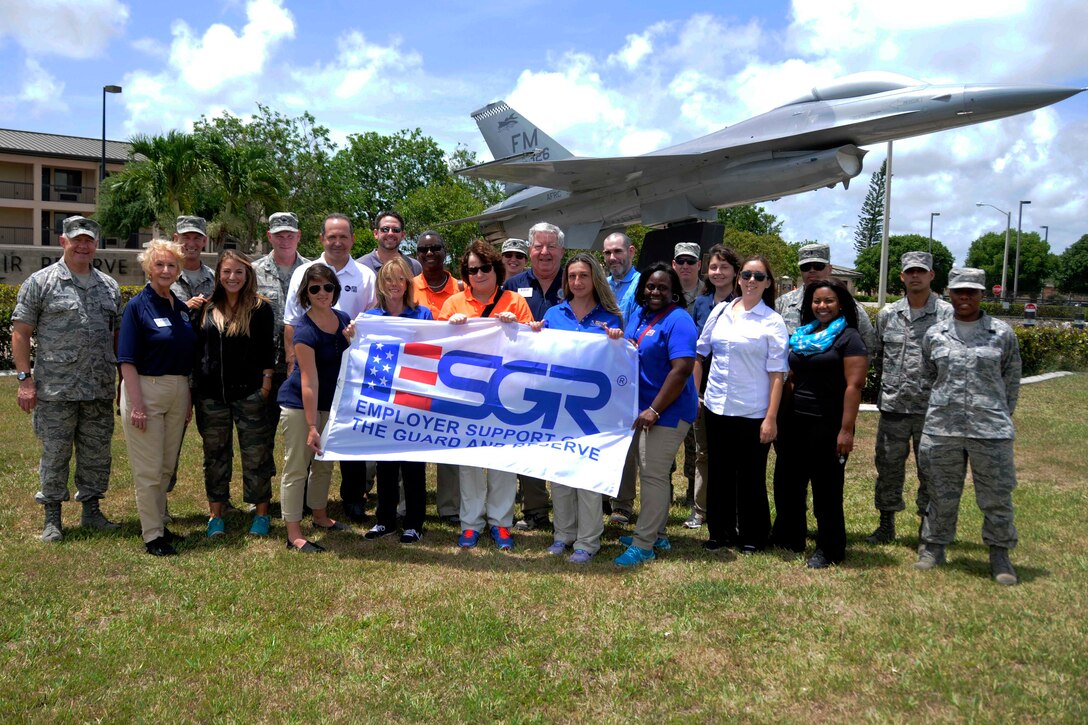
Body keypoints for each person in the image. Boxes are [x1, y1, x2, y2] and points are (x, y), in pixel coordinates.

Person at [12, 215, 123, 542]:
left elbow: (115, 337)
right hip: (56, 389)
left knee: (96, 453)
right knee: (55, 454)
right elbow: (21, 332)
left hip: (98, 388)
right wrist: (24, 379)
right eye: (77, 239)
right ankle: (52, 518)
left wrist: (119, 381)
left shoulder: (109, 286)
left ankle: (91, 511)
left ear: (96, 244)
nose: (83, 245)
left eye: (89, 240)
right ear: (64, 241)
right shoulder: (41, 282)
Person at [915, 268, 1022, 586]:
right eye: (959, 291)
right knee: (940, 493)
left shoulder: (1001, 333)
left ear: (982, 294)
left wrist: (996, 413)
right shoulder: (935, 334)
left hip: (990, 430)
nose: (965, 297)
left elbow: (1011, 382)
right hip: (943, 428)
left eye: (972, 292)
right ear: (949, 292)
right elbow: (928, 376)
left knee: (996, 496)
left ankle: (1000, 554)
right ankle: (934, 547)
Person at [440, 240, 534, 550]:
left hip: (505, 393)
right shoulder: (453, 303)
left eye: (484, 268)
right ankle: (471, 523)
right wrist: (449, 329)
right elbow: (436, 347)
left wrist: (517, 326)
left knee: (503, 461)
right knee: (468, 463)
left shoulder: (514, 301)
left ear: (496, 269)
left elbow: (532, 344)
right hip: (466, 394)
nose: (478, 274)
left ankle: (502, 523)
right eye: (471, 270)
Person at [530, 254, 624, 563]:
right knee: (559, 472)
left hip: (594, 410)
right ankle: (563, 534)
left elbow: (622, 360)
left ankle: (588, 541)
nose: (577, 282)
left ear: (594, 278)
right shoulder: (555, 314)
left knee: (587, 475)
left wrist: (617, 341)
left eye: (583, 275)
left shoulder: (611, 317)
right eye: (572, 276)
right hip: (557, 405)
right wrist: (531, 333)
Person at [283, 213, 377, 523]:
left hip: (343, 383)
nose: (321, 292)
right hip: (308, 382)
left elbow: (368, 325)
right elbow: (291, 326)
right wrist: (291, 366)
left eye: (343, 236)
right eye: (331, 236)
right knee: (299, 461)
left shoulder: (362, 280)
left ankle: (332, 508)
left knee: (330, 454)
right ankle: (296, 522)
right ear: (322, 239)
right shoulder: (302, 278)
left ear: (352, 239)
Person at [771, 279, 868, 568]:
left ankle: (830, 547)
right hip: (795, 421)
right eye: (816, 301)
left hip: (828, 423)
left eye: (828, 301)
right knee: (788, 483)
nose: (821, 306)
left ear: (840, 304)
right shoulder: (804, 335)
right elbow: (793, 378)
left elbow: (855, 386)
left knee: (826, 489)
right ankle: (790, 536)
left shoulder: (849, 338)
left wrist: (846, 430)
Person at [694, 255, 787, 554]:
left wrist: (771, 418)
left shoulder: (772, 320)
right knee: (719, 473)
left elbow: (777, 374)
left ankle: (754, 534)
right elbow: (700, 352)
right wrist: (696, 395)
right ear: (739, 278)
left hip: (753, 411)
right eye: (747, 275)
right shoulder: (720, 311)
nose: (751, 281)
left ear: (768, 283)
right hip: (717, 406)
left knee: (750, 476)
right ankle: (720, 532)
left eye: (759, 277)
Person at [614, 263, 698, 568]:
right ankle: (658, 533)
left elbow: (682, 369)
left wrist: (654, 409)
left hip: (668, 411)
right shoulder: (639, 314)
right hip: (642, 409)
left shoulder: (679, 320)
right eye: (650, 286)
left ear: (674, 291)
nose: (655, 292)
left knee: (652, 475)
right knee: (653, 474)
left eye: (663, 287)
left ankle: (644, 544)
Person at [867, 251, 952, 546]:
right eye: (910, 272)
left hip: (934, 409)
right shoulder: (888, 315)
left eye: (921, 271)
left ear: (931, 275)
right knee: (888, 468)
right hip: (894, 406)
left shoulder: (947, 315)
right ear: (902, 277)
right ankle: (886, 525)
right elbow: (877, 357)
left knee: (931, 470)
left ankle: (927, 528)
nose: (915, 276)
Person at [118, 240, 197, 557]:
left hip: (178, 390)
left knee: (166, 466)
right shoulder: (138, 306)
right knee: (149, 469)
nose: (166, 270)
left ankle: (161, 521)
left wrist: (187, 395)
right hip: (145, 390)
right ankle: (152, 535)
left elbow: (185, 353)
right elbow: (126, 360)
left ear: (179, 270)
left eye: (172, 265)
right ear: (149, 268)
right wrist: (136, 404)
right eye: (160, 265)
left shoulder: (178, 307)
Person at [193, 251, 276, 538]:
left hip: (249, 393)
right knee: (215, 456)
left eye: (239, 272)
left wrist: (265, 384)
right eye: (227, 272)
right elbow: (196, 350)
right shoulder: (205, 307)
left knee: (257, 455)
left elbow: (268, 350)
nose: (232, 277)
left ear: (247, 275)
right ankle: (216, 514)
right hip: (211, 396)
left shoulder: (260, 308)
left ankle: (262, 513)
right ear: (218, 274)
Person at [278, 264, 354, 552]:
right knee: (297, 467)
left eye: (327, 287)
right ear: (306, 294)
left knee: (324, 464)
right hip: (300, 405)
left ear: (335, 289)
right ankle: (294, 533)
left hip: (330, 404)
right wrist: (311, 426)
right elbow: (308, 381)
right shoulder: (304, 331)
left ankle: (319, 515)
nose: (322, 293)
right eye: (315, 288)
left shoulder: (343, 318)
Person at [361, 257, 433, 544]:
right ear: (381, 284)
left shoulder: (423, 315)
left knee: (413, 465)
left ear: (408, 283)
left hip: (413, 396)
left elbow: (435, 349)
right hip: (382, 398)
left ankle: (414, 522)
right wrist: (352, 334)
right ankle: (385, 520)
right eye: (388, 279)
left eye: (400, 279)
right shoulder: (370, 318)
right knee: (385, 463)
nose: (394, 285)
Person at [503, 221, 566, 532]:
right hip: (524, 378)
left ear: (562, 251)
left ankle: (569, 512)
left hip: (565, 378)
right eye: (538, 246)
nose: (544, 252)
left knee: (565, 443)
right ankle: (536, 510)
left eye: (551, 246)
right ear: (530, 251)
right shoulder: (513, 285)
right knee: (527, 443)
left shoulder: (577, 280)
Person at [685, 244, 741, 530]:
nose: (718, 273)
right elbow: (696, 350)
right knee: (703, 451)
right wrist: (694, 393)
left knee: (732, 453)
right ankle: (700, 509)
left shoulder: (745, 301)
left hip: (737, 390)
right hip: (704, 388)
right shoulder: (702, 303)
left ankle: (732, 508)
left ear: (735, 272)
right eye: (714, 267)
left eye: (724, 267)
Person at [412, 229, 463, 525]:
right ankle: (408, 506)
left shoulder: (460, 287)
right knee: (410, 440)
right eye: (423, 249)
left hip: (449, 376)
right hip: (416, 374)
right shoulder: (407, 286)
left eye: (435, 248)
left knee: (448, 439)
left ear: (445, 252)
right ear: (417, 255)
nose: (429, 254)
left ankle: (449, 507)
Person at [252, 211, 309, 432]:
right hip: (265, 363)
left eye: (290, 235)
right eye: (279, 235)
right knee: (261, 433)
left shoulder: (312, 271)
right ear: (269, 236)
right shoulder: (254, 271)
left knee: (301, 431)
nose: (285, 240)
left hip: (302, 361)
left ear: (299, 236)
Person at [171, 215, 215, 312]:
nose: (191, 244)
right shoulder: (165, 277)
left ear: (204, 241)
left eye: (197, 238)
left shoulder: (215, 279)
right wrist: (184, 306)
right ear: (175, 239)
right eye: (186, 238)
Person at [358, 210, 422, 275]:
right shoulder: (360, 266)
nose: (390, 233)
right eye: (385, 229)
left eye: (396, 230)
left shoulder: (415, 267)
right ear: (376, 233)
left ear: (403, 235)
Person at [602, 231, 641, 326]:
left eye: (617, 251)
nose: (612, 258)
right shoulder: (601, 286)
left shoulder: (643, 285)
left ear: (631, 251)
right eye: (607, 253)